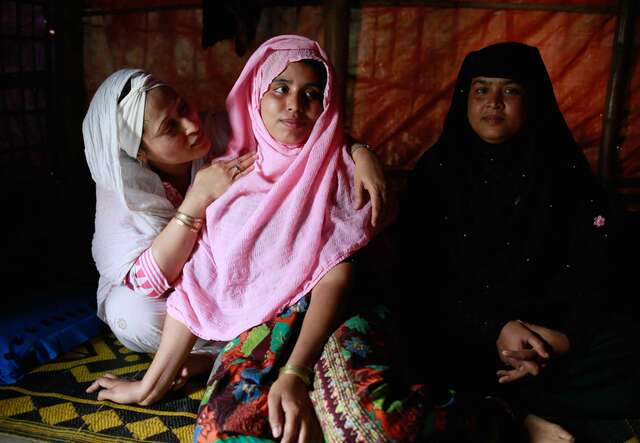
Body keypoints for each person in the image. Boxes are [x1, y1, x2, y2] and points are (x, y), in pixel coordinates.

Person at [87, 35, 379, 441]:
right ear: (141, 153)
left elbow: (337, 270)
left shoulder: (239, 141)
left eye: (184, 108)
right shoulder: (217, 180)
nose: (192, 126)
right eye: (170, 126)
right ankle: (219, 357)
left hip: (321, 319)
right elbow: (194, 282)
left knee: (365, 419)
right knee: (219, 422)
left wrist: (361, 150)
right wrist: (149, 387)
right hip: (237, 317)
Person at [395, 42, 640, 443]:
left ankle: (510, 412)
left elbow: (599, 267)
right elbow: (421, 274)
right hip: (470, 336)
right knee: (411, 351)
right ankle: (520, 414)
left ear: (534, 99)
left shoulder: (563, 171)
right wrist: (497, 327)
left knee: (629, 343)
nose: (493, 103)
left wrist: (564, 339)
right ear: (465, 98)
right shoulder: (437, 172)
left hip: (547, 341)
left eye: (510, 90)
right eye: (481, 90)